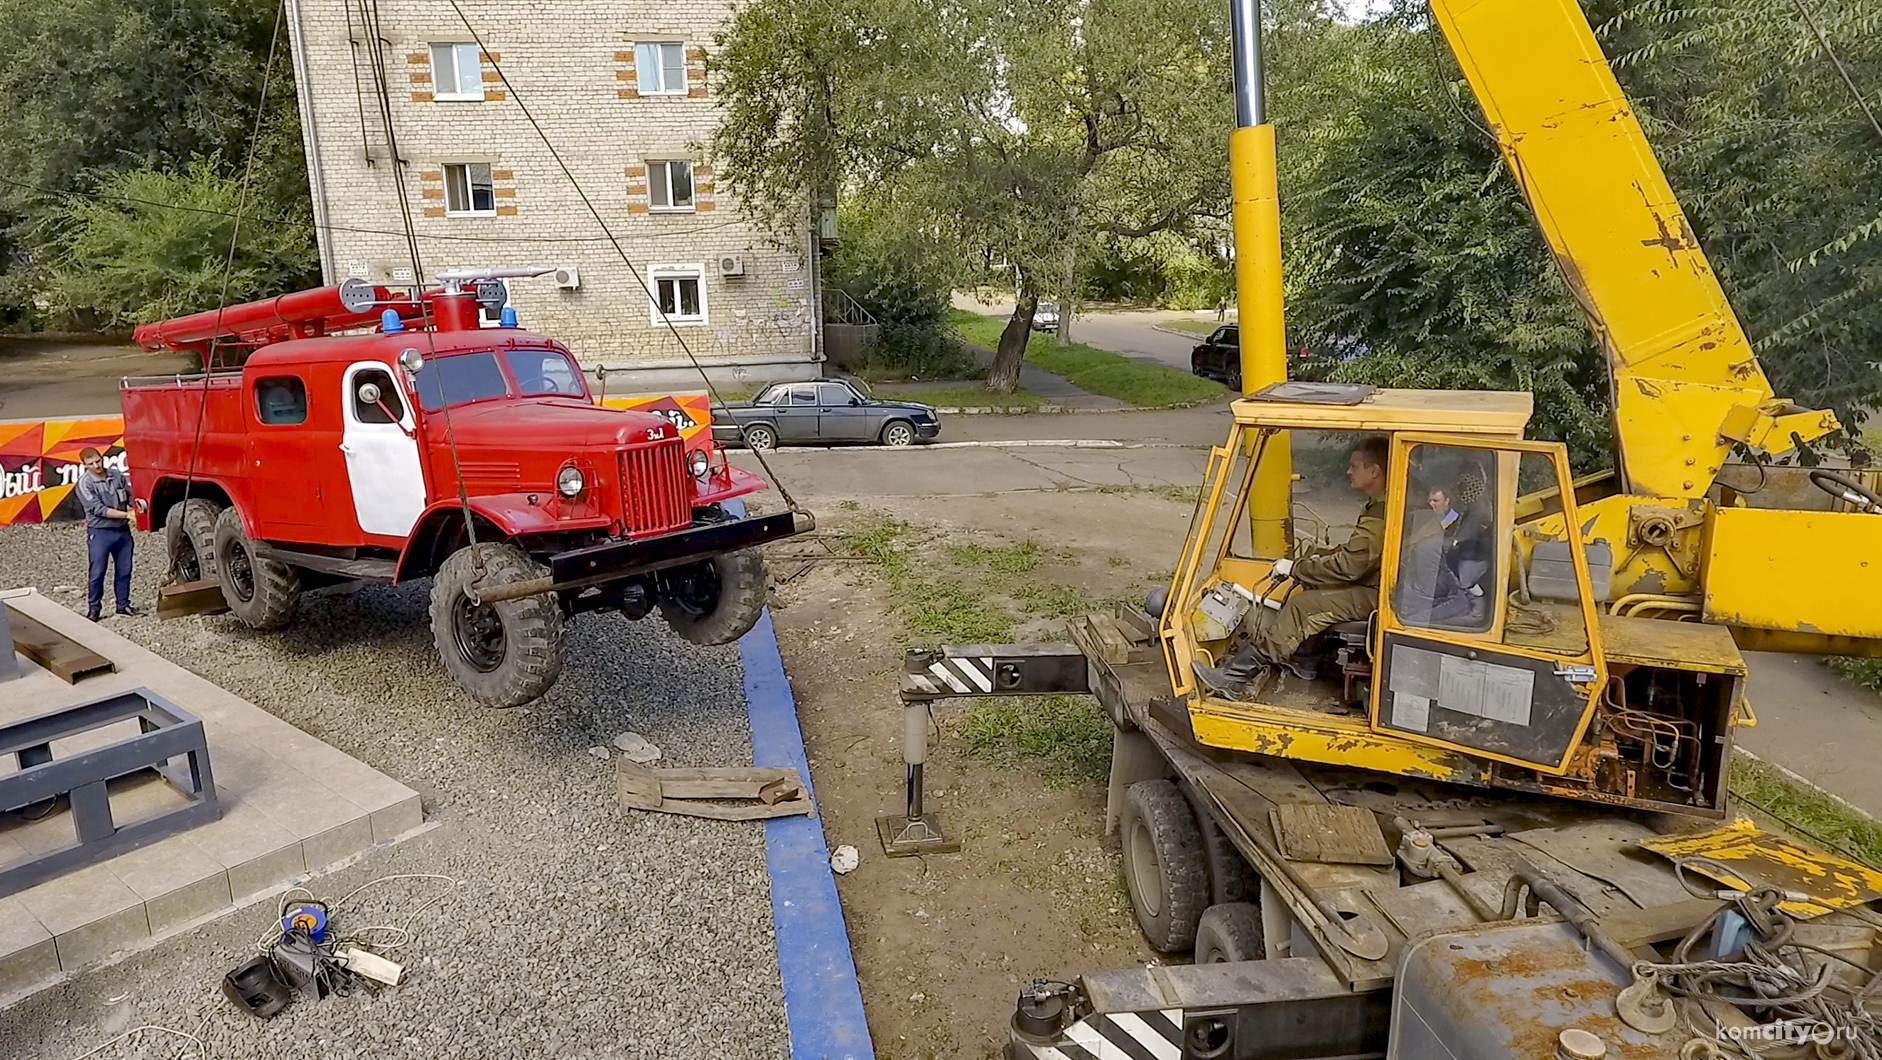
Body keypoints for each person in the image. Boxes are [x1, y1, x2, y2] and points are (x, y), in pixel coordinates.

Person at [1192, 436, 1390, 697]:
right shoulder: (1387, 506)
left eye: (1354, 466)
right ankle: (1305, 658)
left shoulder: (1380, 514)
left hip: (1382, 595)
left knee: (1301, 607)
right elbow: (1361, 556)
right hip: (1387, 585)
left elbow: (1351, 567)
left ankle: (1235, 677)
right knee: (1315, 582)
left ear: (1374, 471)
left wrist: (1296, 568)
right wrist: (1315, 560)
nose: (1348, 471)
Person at [75, 447, 137, 621]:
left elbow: (130, 495)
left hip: (122, 531)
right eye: (91, 463)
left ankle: (123, 605)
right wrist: (127, 514)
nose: (97, 465)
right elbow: (97, 509)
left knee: (125, 569)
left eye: (98, 461)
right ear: (85, 465)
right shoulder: (85, 484)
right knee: (97, 572)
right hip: (100, 532)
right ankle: (94, 608)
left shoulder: (117, 476)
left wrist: (136, 508)